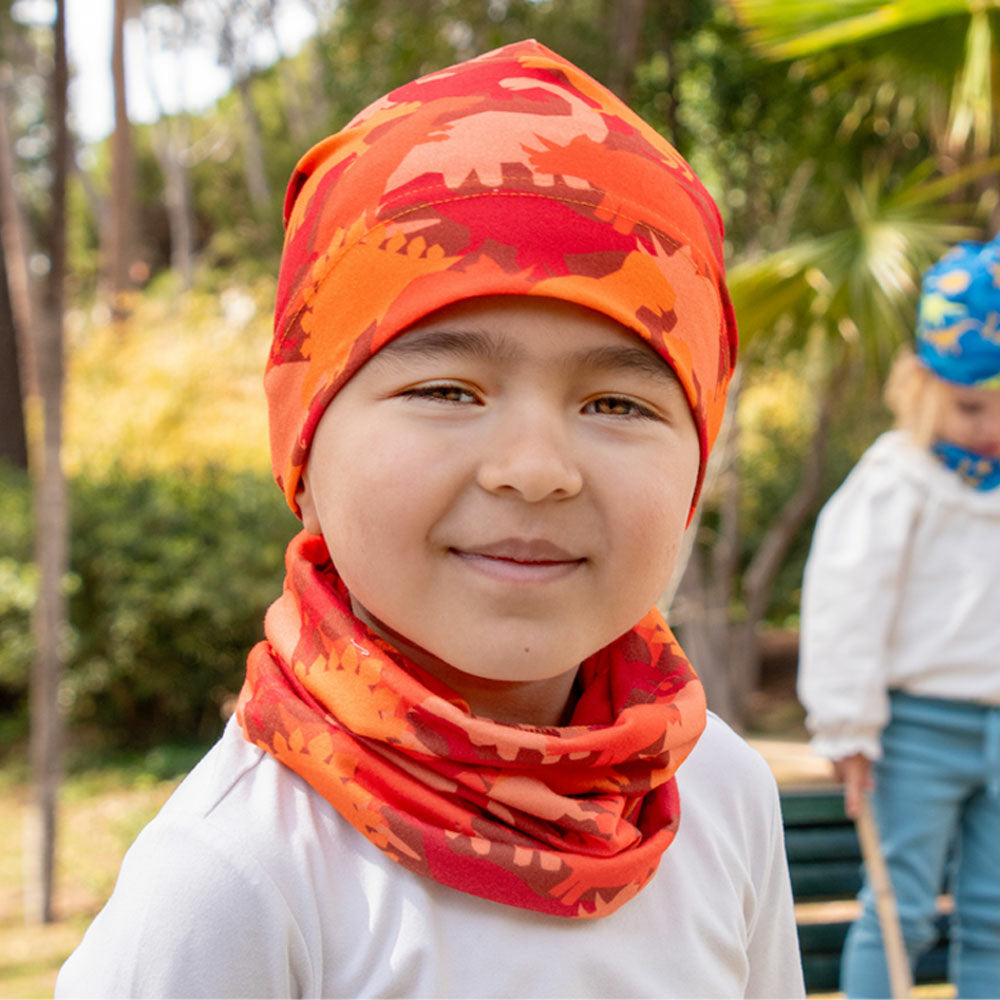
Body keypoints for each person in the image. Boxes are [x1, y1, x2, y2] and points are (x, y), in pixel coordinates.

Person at [56, 40, 804, 998]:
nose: (536, 471)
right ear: (305, 454)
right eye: (449, 388)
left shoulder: (716, 795)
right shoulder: (238, 878)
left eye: (617, 404)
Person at [798, 234, 1000, 998]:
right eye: (972, 406)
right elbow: (849, 601)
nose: (989, 429)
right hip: (915, 730)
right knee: (897, 906)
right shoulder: (898, 479)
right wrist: (847, 725)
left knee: (995, 914)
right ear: (923, 385)